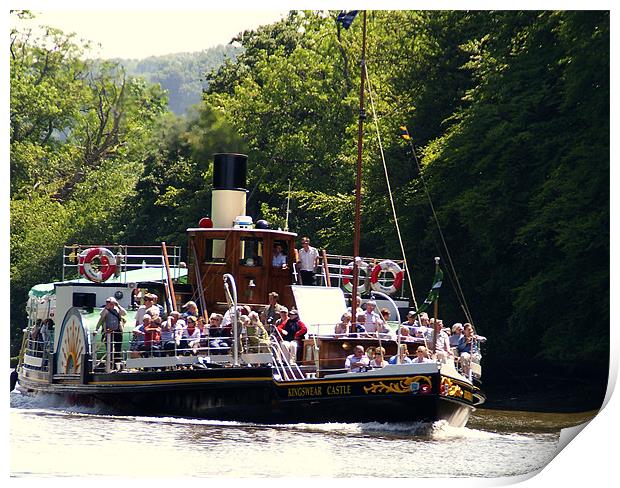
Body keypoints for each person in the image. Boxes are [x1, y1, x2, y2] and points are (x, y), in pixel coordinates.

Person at [96, 297, 126, 366]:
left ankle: (117, 361)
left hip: (117, 331)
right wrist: (96, 329)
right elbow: (101, 318)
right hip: (108, 332)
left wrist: (118, 305)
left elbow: (124, 313)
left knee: (118, 346)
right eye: (108, 302)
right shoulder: (105, 310)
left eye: (111, 303)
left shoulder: (117, 310)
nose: (110, 304)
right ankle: (110, 361)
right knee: (109, 347)